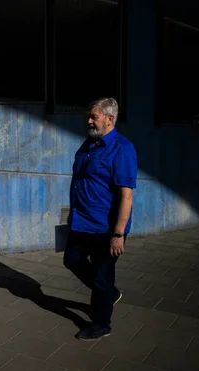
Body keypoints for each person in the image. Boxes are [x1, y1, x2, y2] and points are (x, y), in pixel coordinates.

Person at [64, 97, 138, 341]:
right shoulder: (88, 145)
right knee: (72, 260)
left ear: (110, 118)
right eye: (89, 116)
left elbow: (126, 196)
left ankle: (101, 323)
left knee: (102, 276)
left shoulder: (122, 149)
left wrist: (118, 234)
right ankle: (109, 294)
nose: (89, 121)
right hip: (80, 221)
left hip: (105, 227)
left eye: (93, 117)